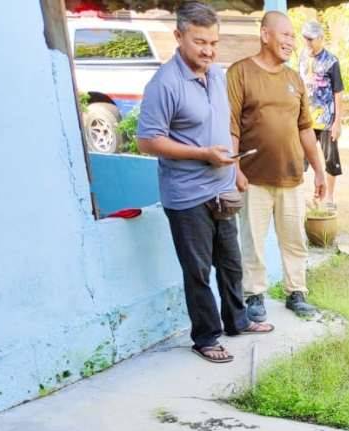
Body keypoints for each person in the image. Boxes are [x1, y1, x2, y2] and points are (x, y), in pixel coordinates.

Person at [136, 1, 274, 364]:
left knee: (231, 263)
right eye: (200, 42)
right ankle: (206, 337)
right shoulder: (164, 84)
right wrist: (203, 155)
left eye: (213, 42)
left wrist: (233, 166)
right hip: (186, 196)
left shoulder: (217, 75)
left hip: (221, 187)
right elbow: (148, 140)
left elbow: (221, 127)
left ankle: (237, 320)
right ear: (179, 36)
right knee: (198, 271)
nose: (209, 50)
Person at [227, 11, 327, 321]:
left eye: (292, 37)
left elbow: (305, 129)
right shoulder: (240, 72)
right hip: (253, 178)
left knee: (294, 238)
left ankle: (296, 292)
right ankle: (254, 295)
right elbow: (230, 125)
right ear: (264, 34)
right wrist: (235, 169)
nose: (290, 41)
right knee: (253, 240)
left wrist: (320, 169)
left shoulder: (294, 79)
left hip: (292, 177)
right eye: (283, 34)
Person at [299, 20, 345, 210]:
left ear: (320, 39)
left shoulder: (331, 61)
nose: (307, 43)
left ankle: (329, 199)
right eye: (305, 38)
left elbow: (338, 92)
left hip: (326, 121)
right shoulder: (302, 57)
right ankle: (300, 197)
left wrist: (337, 122)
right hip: (305, 121)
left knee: (330, 161)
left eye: (311, 39)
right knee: (299, 159)